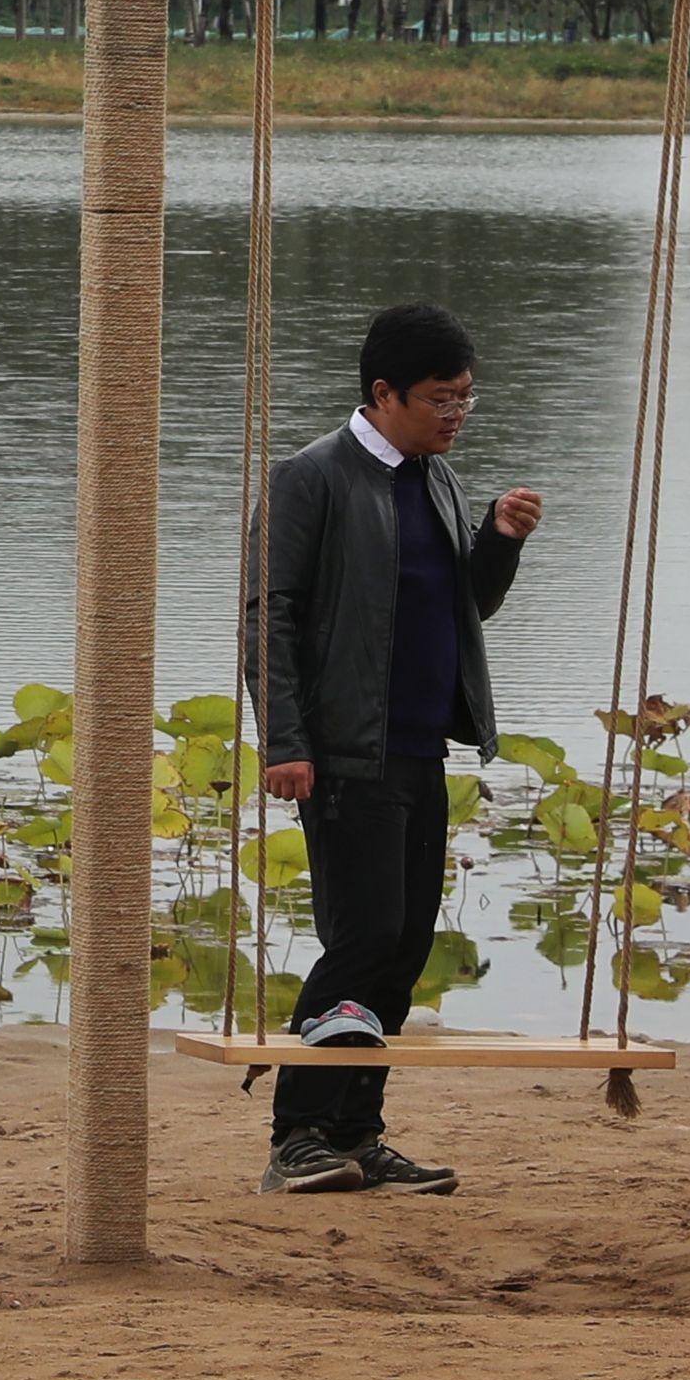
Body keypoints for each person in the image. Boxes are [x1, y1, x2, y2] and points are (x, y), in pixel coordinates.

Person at [249, 301, 542, 1195]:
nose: (454, 414)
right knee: (361, 934)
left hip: (420, 746)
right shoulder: (310, 477)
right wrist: (287, 739)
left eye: (465, 398)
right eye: (438, 398)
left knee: (406, 941)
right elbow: (269, 613)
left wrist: (497, 540)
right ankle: (297, 1133)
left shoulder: (434, 478)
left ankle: (357, 1131)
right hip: (343, 751)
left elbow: (464, 608)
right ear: (381, 393)